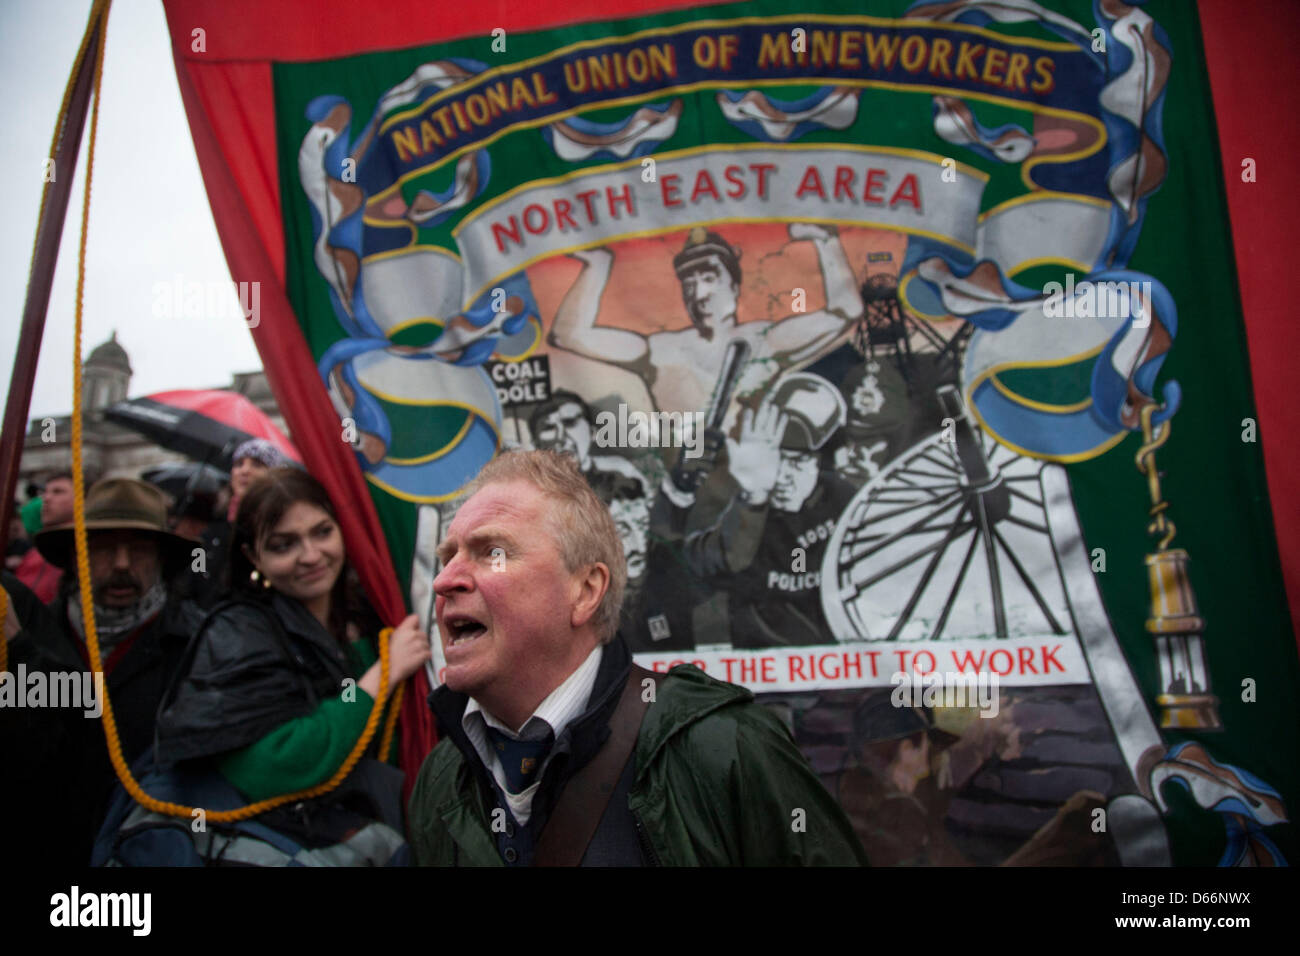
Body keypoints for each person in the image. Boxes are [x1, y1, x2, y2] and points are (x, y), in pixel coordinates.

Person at [407, 449, 867, 865]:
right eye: (447, 557)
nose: (444, 581)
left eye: (492, 553)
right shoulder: (441, 779)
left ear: (585, 590)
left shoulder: (725, 748)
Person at [147, 467, 431, 865]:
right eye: (284, 545)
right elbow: (274, 764)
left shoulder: (370, 616)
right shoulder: (238, 634)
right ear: (253, 556)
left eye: (322, 532)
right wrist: (380, 677)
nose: (311, 556)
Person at [1, 477, 205, 865]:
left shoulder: (196, 644)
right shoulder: (35, 636)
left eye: (139, 549)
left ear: (161, 559)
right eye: (103, 548)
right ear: (75, 556)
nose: (122, 564)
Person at [549, 225, 862, 419]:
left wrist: (826, 242)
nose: (698, 292)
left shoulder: (767, 339)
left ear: (734, 287)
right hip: (683, 493)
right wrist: (597, 267)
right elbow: (569, 334)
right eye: (689, 283)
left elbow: (846, 311)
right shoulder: (660, 350)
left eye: (710, 278)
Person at [13, 470, 77, 602]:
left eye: (58, 492)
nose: (46, 498)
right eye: (45, 492)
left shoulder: (85, 553)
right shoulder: (33, 554)